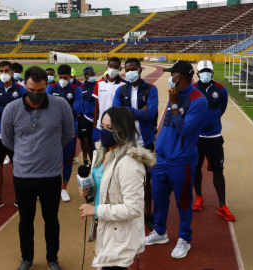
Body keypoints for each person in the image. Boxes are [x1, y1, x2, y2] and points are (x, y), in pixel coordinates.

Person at [2, 66, 75, 270]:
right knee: (25, 220)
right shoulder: (12, 109)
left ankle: (52, 259)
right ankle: (27, 259)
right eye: (32, 90)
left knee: (51, 219)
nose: (36, 94)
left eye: (41, 90)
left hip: (51, 175)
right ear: (24, 85)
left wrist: (50, 150)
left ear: (47, 87)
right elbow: (7, 140)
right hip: (23, 175)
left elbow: (69, 134)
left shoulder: (60, 105)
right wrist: (27, 154)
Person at [79, 106, 155, 270]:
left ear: (123, 131)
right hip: (105, 226)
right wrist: (90, 190)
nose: (104, 132)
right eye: (102, 127)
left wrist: (96, 210)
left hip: (119, 234)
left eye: (109, 128)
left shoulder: (130, 163)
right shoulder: (101, 152)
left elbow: (134, 209)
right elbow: (104, 186)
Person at [145, 61, 208, 259]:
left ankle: (184, 239)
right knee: (160, 198)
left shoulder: (198, 100)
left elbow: (184, 130)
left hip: (181, 161)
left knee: (183, 202)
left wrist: (173, 104)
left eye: (172, 74)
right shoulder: (175, 94)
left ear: (179, 77)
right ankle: (160, 232)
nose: (170, 77)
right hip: (161, 159)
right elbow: (168, 124)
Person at [112, 58, 159, 231]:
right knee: (124, 178)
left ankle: (148, 213)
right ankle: (126, 211)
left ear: (140, 70)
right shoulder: (121, 89)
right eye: (127, 68)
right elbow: (116, 114)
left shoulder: (151, 89)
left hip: (145, 142)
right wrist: (140, 111)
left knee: (146, 181)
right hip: (125, 142)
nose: (130, 71)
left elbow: (151, 113)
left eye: (133, 68)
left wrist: (128, 111)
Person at [193, 60, 235, 221]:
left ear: (212, 73)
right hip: (196, 138)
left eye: (208, 71)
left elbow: (222, 108)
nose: (205, 74)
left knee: (218, 171)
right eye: (202, 71)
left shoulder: (221, 90)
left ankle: (222, 205)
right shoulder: (192, 89)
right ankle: (199, 197)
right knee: (196, 168)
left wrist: (213, 120)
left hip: (214, 138)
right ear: (197, 73)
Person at [0, 60, 26, 213]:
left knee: (19, 166)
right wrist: (11, 110)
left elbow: (24, 112)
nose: (3, 73)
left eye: (6, 70)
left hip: (16, 134)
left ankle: (20, 197)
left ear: (11, 71)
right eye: (1, 71)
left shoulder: (21, 90)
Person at [46, 64, 82, 202]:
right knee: (49, 160)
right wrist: (65, 109)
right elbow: (47, 108)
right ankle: (49, 187)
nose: (62, 80)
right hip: (52, 131)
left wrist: (57, 111)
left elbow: (75, 111)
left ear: (71, 77)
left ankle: (63, 189)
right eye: (60, 77)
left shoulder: (76, 90)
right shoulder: (51, 87)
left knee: (67, 161)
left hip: (69, 131)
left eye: (65, 78)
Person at [92, 57, 125, 144]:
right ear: (107, 67)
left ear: (120, 69)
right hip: (100, 126)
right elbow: (96, 107)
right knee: (98, 153)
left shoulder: (124, 85)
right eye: (111, 66)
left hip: (116, 127)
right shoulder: (99, 84)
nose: (113, 69)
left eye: (115, 67)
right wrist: (95, 126)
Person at [78, 66, 96, 165]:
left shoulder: (99, 85)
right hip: (85, 117)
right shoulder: (80, 88)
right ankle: (92, 161)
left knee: (97, 140)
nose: (93, 76)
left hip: (98, 117)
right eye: (91, 74)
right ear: (85, 76)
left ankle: (99, 161)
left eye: (93, 74)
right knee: (87, 139)